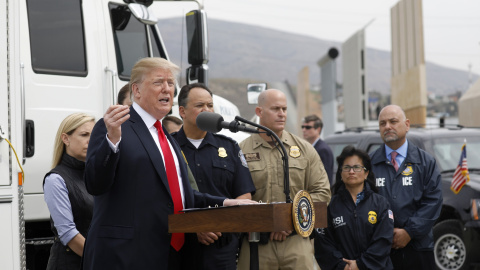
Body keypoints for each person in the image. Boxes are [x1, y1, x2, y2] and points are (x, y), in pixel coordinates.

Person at [82, 57, 255, 270]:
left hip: (170, 254)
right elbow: (95, 183)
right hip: (126, 255)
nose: (167, 89)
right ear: (136, 90)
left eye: (171, 83)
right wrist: (112, 141)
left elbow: (179, 195)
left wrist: (227, 203)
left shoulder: (165, 136)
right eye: (158, 83)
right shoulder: (115, 127)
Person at [237, 89, 331, 270]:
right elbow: (235, 196)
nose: (282, 114)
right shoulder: (241, 150)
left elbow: (323, 193)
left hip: (296, 240)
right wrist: (268, 224)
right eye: (275, 109)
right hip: (257, 242)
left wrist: (289, 221)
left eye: (284, 109)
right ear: (259, 112)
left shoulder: (304, 149)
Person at [171, 83, 256, 270]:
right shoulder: (169, 146)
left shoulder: (229, 147)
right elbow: (165, 197)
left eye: (210, 105)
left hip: (221, 246)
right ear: (182, 112)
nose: (207, 110)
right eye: (200, 105)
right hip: (181, 248)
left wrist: (214, 224)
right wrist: (196, 226)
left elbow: (244, 196)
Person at [369, 105, 442, 270]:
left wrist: (409, 232)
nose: (387, 126)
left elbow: (433, 202)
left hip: (418, 248)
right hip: (379, 251)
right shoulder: (369, 163)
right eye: (382, 123)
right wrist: (384, 234)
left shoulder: (426, 162)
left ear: (407, 124)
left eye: (393, 121)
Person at [315, 145, 394, 270]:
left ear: (366, 173)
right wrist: (343, 266)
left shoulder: (381, 204)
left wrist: (360, 265)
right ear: (341, 173)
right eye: (346, 167)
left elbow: (383, 241)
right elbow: (323, 243)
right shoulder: (330, 206)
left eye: (357, 167)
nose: (351, 172)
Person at [43, 113, 95, 269]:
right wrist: (100, 259)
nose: (90, 140)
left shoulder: (95, 176)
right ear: (66, 138)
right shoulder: (55, 179)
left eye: (94, 135)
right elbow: (68, 234)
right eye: (84, 135)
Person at [302, 114, 334, 185]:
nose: (304, 130)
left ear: (318, 129)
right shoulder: (311, 148)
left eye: (308, 127)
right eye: (303, 127)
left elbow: (325, 178)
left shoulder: (323, 149)